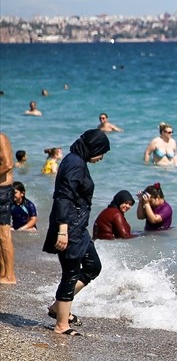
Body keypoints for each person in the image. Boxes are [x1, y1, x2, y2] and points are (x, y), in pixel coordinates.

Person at [43, 129, 111, 335]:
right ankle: (62, 325)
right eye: (102, 152)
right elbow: (63, 196)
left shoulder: (77, 161)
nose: (102, 157)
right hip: (69, 226)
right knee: (71, 274)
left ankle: (58, 307)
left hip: (78, 226)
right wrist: (63, 230)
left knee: (93, 266)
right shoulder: (74, 163)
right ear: (94, 148)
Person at [0, 132, 14, 284]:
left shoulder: (1, 138)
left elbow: (8, 164)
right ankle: (3, 272)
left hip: (3, 191)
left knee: (4, 235)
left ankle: (10, 276)